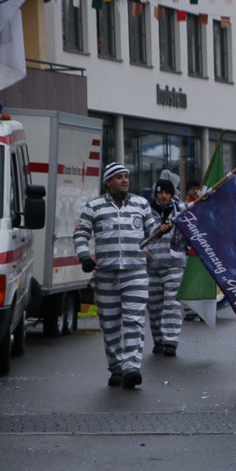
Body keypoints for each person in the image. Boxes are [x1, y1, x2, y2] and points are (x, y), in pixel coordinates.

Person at [74, 163, 171, 388]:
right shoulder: (94, 207)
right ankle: (116, 367)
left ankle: (131, 368)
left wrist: (160, 230)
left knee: (134, 320)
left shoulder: (141, 204)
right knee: (109, 324)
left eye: (126, 176)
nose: (125, 180)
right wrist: (85, 257)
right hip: (106, 275)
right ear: (108, 182)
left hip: (135, 273)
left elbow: (152, 232)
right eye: (119, 177)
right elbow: (80, 233)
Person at [146, 179, 186, 357]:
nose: (163, 196)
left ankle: (171, 341)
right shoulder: (145, 212)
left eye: (167, 193)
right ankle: (159, 340)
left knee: (172, 304)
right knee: (154, 306)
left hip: (174, 265)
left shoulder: (181, 212)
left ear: (172, 194)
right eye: (160, 192)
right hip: (151, 266)